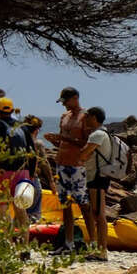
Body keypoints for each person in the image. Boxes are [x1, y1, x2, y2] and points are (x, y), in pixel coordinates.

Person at [44, 87, 90, 254]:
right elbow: (63, 142)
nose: (64, 105)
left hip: (77, 165)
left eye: (66, 101)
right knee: (65, 205)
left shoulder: (85, 117)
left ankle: (92, 242)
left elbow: (84, 143)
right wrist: (55, 140)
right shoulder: (64, 117)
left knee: (83, 204)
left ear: (75, 98)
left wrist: (64, 138)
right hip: (61, 163)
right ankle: (68, 244)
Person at [0, 96, 32, 244]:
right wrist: (31, 175)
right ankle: (24, 246)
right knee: (21, 208)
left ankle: (7, 244)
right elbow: (32, 151)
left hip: (1, 172)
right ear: (11, 110)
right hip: (22, 172)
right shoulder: (22, 126)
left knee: (1, 210)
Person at [77, 106, 112, 261]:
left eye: (88, 116)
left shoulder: (97, 134)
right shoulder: (104, 133)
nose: (85, 119)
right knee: (96, 212)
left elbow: (83, 155)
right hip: (99, 176)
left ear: (94, 117)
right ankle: (99, 248)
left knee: (99, 213)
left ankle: (102, 250)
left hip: (97, 176)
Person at [19, 115, 56, 224]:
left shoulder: (18, 141)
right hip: (32, 178)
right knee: (34, 212)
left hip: (18, 178)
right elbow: (44, 163)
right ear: (37, 129)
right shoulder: (37, 143)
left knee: (21, 209)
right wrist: (51, 182)